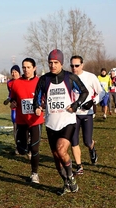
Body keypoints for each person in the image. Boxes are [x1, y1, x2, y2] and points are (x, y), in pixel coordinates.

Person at [33, 49, 89, 195]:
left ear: (61, 63)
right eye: (50, 63)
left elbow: (84, 92)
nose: (52, 65)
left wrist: (76, 105)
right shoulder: (44, 80)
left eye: (55, 63)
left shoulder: (70, 77)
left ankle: (71, 177)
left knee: (61, 149)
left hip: (68, 121)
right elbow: (36, 100)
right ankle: (65, 183)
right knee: (57, 157)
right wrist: (37, 107)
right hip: (51, 123)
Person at [9, 58, 44, 183]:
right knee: (22, 149)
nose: (26, 69)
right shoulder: (16, 83)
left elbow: (45, 100)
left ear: (34, 68)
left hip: (36, 120)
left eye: (28, 67)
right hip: (22, 120)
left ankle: (34, 174)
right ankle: (26, 147)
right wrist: (13, 103)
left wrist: (41, 107)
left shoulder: (40, 82)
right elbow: (13, 99)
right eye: (24, 67)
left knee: (35, 149)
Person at [69, 55, 105, 175]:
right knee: (73, 141)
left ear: (82, 65)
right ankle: (79, 166)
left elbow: (102, 92)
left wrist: (93, 102)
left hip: (86, 114)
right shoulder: (68, 78)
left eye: (77, 65)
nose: (74, 68)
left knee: (86, 141)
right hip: (72, 114)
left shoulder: (90, 77)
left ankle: (91, 147)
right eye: (72, 66)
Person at [4, 65, 21, 154]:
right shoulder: (9, 83)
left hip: (23, 107)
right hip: (14, 107)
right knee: (15, 126)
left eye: (15, 72)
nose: (14, 74)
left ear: (19, 73)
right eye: (12, 72)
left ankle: (28, 144)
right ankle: (17, 146)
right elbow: (11, 93)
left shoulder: (23, 81)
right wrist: (8, 100)